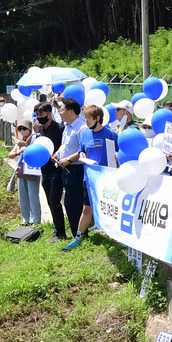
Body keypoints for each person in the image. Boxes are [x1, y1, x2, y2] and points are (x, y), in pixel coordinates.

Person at [62, 105, 118, 250]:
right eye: (85, 117)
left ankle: (118, 238)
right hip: (90, 179)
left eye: (88, 118)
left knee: (110, 209)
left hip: (108, 179)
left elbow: (119, 151)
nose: (85, 120)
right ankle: (78, 237)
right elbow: (81, 150)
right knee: (87, 209)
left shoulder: (110, 134)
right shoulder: (86, 134)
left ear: (97, 118)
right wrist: (82, 155)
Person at [34, 100, 66, 243]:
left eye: (42, 114)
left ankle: (61, 232)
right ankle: (56, 229)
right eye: (37, 115)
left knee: (54, 200)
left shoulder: (60, 128)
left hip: (57, 169)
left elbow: (65, 147)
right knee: (49, 200)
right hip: (44, 169)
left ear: (49, 113)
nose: (39, 117)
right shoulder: (40, 130)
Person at [53, 97, 86, 239]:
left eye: (62, 109)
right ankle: (77, 235)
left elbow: (83, 151)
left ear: (71, 111)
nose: (60, 112)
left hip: (76, 170)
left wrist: (69, 159)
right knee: (70, 203)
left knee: (72, 204)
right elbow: (64, 145)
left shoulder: (82, 128)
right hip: (65, 169)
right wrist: (58, 154)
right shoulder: (67, 126)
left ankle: (79, 236)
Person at [9, 118, 42, 226]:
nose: (22, 131)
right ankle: (26, 218)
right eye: (20, 128)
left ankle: (36, 219)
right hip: (21, 170)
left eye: (25, 128)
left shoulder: (35, 138)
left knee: (33, 195)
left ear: (30, 129)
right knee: (23, 196)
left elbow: (33, 147)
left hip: (32, 171)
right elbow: (11, 154)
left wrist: (25, 145)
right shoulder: (20, 142)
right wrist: (18, 151)